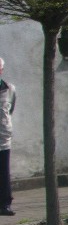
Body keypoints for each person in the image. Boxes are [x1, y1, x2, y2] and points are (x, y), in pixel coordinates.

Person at [0, 57, 16, 216]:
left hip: (2, 138)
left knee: (3, 172)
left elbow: (10, 110)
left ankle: (5, 204)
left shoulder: (9, 89)